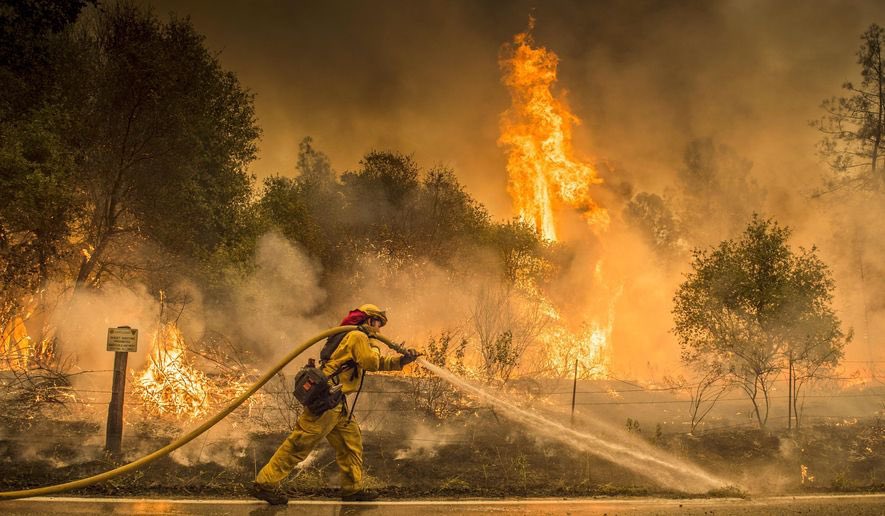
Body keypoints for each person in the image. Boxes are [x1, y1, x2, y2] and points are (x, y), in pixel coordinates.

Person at [251, 304, 419, 504]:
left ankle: (352, 489)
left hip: (337, 403)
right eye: (377, 324)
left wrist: (401, 361)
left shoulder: (356, 338)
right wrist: (374, 341)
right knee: (300, 444)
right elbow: (371, 362)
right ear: (368, 320)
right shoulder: (357, 336)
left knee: (350, 444)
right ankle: (265, 484)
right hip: (326, 401)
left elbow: (376, 362)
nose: (379, 329)